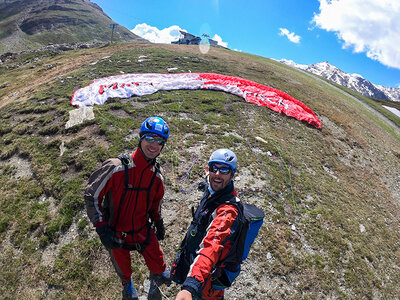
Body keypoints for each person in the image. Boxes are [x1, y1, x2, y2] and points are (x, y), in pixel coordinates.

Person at [85, 116, 171, 300]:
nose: (154, 145)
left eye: (159, 141)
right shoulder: (116, 168)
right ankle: (128, 285)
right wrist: (101, 228)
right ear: (140, 138)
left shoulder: (157, 176)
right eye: (149, 138)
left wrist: (159, 221)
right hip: (116, 231)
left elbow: (156, 202)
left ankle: (157, 276)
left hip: (142, 229)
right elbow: (92, 195)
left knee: (157, 260)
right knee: (123, 268)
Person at [173, 149, 243, 300]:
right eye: (214, 168)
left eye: (224, 170)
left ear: (233, 174)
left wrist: (191, 285)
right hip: (193, 260)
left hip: (206, 280)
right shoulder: (214, 188)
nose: (217, 174)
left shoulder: (228, 211)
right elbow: (211, 179)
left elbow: (211, 247)